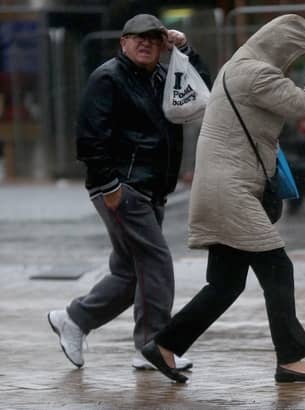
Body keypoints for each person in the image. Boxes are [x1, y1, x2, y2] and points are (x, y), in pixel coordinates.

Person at [139, 14, 305, 384]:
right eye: (293, 56)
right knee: (278, 269)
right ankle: (291, 360)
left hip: (223, 188)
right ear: (281, 49)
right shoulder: (256, 74)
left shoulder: (238, 66)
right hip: (232, 192)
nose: (293, 62)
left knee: (226, 285)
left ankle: (163, 346)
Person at [47, 14, 212, 371]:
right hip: (124, 187)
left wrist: (186, 50)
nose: (145, 43)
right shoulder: (108, 77)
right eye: (138, 38)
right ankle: (152, 346)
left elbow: (202, 91)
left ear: (162, 45)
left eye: (154, 39)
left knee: (130, 273)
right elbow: (89, 138)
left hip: (151, 188)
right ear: (123, 42)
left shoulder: (164, 77)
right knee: (156, 263)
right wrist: (110, 187)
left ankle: (74, 319)